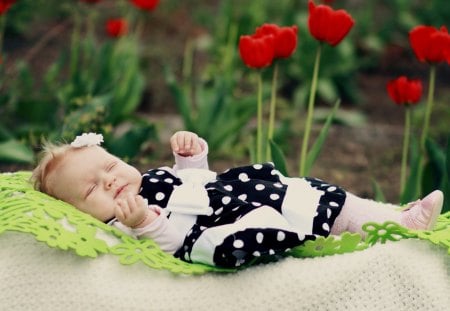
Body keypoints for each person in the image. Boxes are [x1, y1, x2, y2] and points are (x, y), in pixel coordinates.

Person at [32, 131, 444, 268]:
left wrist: (190, 159)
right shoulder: (124, 221)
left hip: (241, 192)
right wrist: (144, 224)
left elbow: (196, 185)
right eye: (91, 190)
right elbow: (173, 245)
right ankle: (388, 227)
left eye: (110, 167)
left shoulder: (153, 180)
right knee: (295, 215)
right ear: (79, 213)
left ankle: (391, 218)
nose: (110, 183)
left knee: (318, 194)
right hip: (228, 224)